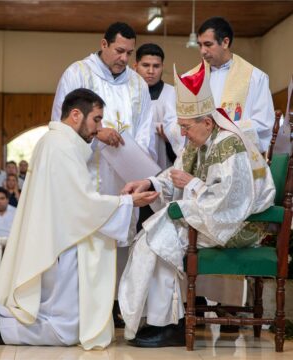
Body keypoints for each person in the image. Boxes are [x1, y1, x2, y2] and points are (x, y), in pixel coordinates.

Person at [0, 88, 158, 349]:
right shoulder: (61, 147)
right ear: (76, 115)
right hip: (63, 246)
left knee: (54, 318)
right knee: (65, 330)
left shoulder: (57, 142)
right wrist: (126, 202)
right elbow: (81, 203)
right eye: (96, 119)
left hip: (58, 239)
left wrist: (119, 202)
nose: (99, 127)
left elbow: (74, 198)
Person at [118, 62, 276, 347]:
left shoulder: (230, 144)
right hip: (212, 215)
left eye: (186, 127)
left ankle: (171, 325)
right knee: (152, 235)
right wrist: (150, 183)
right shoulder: (198, 141)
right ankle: (158, 319)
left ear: (206, 122)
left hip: (240, 225)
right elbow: (175, 174)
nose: (183, 134)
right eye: (180, 127)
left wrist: (191, 183)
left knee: (160, 239)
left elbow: (231, 200)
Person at [51, 22, 157, 323]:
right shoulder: (77, 73)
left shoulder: (137, 85)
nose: (124, 58)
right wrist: (97, 132)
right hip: (86, 176)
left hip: (122, 179)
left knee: (120, 242)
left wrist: (137, 165)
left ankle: (115, 305)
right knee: (85, 241)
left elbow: (145, 133)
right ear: (104, 44)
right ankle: (80, 305)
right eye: (119, 50)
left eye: (129, 52)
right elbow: (61, 126)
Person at [190, 16, 274, 153]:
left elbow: (263, 123)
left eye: (208, 44)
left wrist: (220, 130)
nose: (202, 51)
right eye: (200, 45)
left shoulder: (255, 77)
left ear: (225, 42)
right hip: (201, 155)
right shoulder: (191, 78)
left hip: (236, 156)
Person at [134, 43, 185, 169]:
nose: (151, 71)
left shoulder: (174, 93)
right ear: (135, 66)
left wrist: (172, 138)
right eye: (145, 65)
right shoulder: (127, 95)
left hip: (166, 164)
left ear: (162, 67)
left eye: (156, 66)